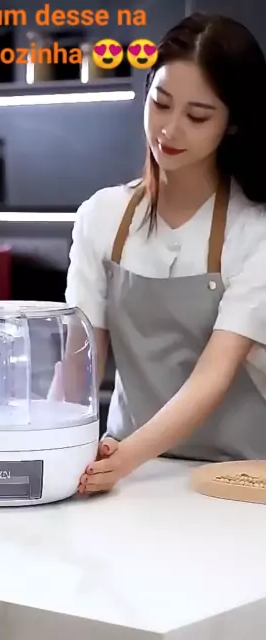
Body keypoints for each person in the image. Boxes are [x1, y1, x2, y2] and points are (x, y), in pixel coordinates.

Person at [63, 12, 266, 495]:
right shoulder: (101, 216)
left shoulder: (254, 231)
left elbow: (213, 375)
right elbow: (79, 360)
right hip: (130, 472)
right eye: (161, 103)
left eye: (197, 116)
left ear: (232, 123)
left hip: (239, 475)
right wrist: (60, 441)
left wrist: (128, 456)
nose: (170, 130)